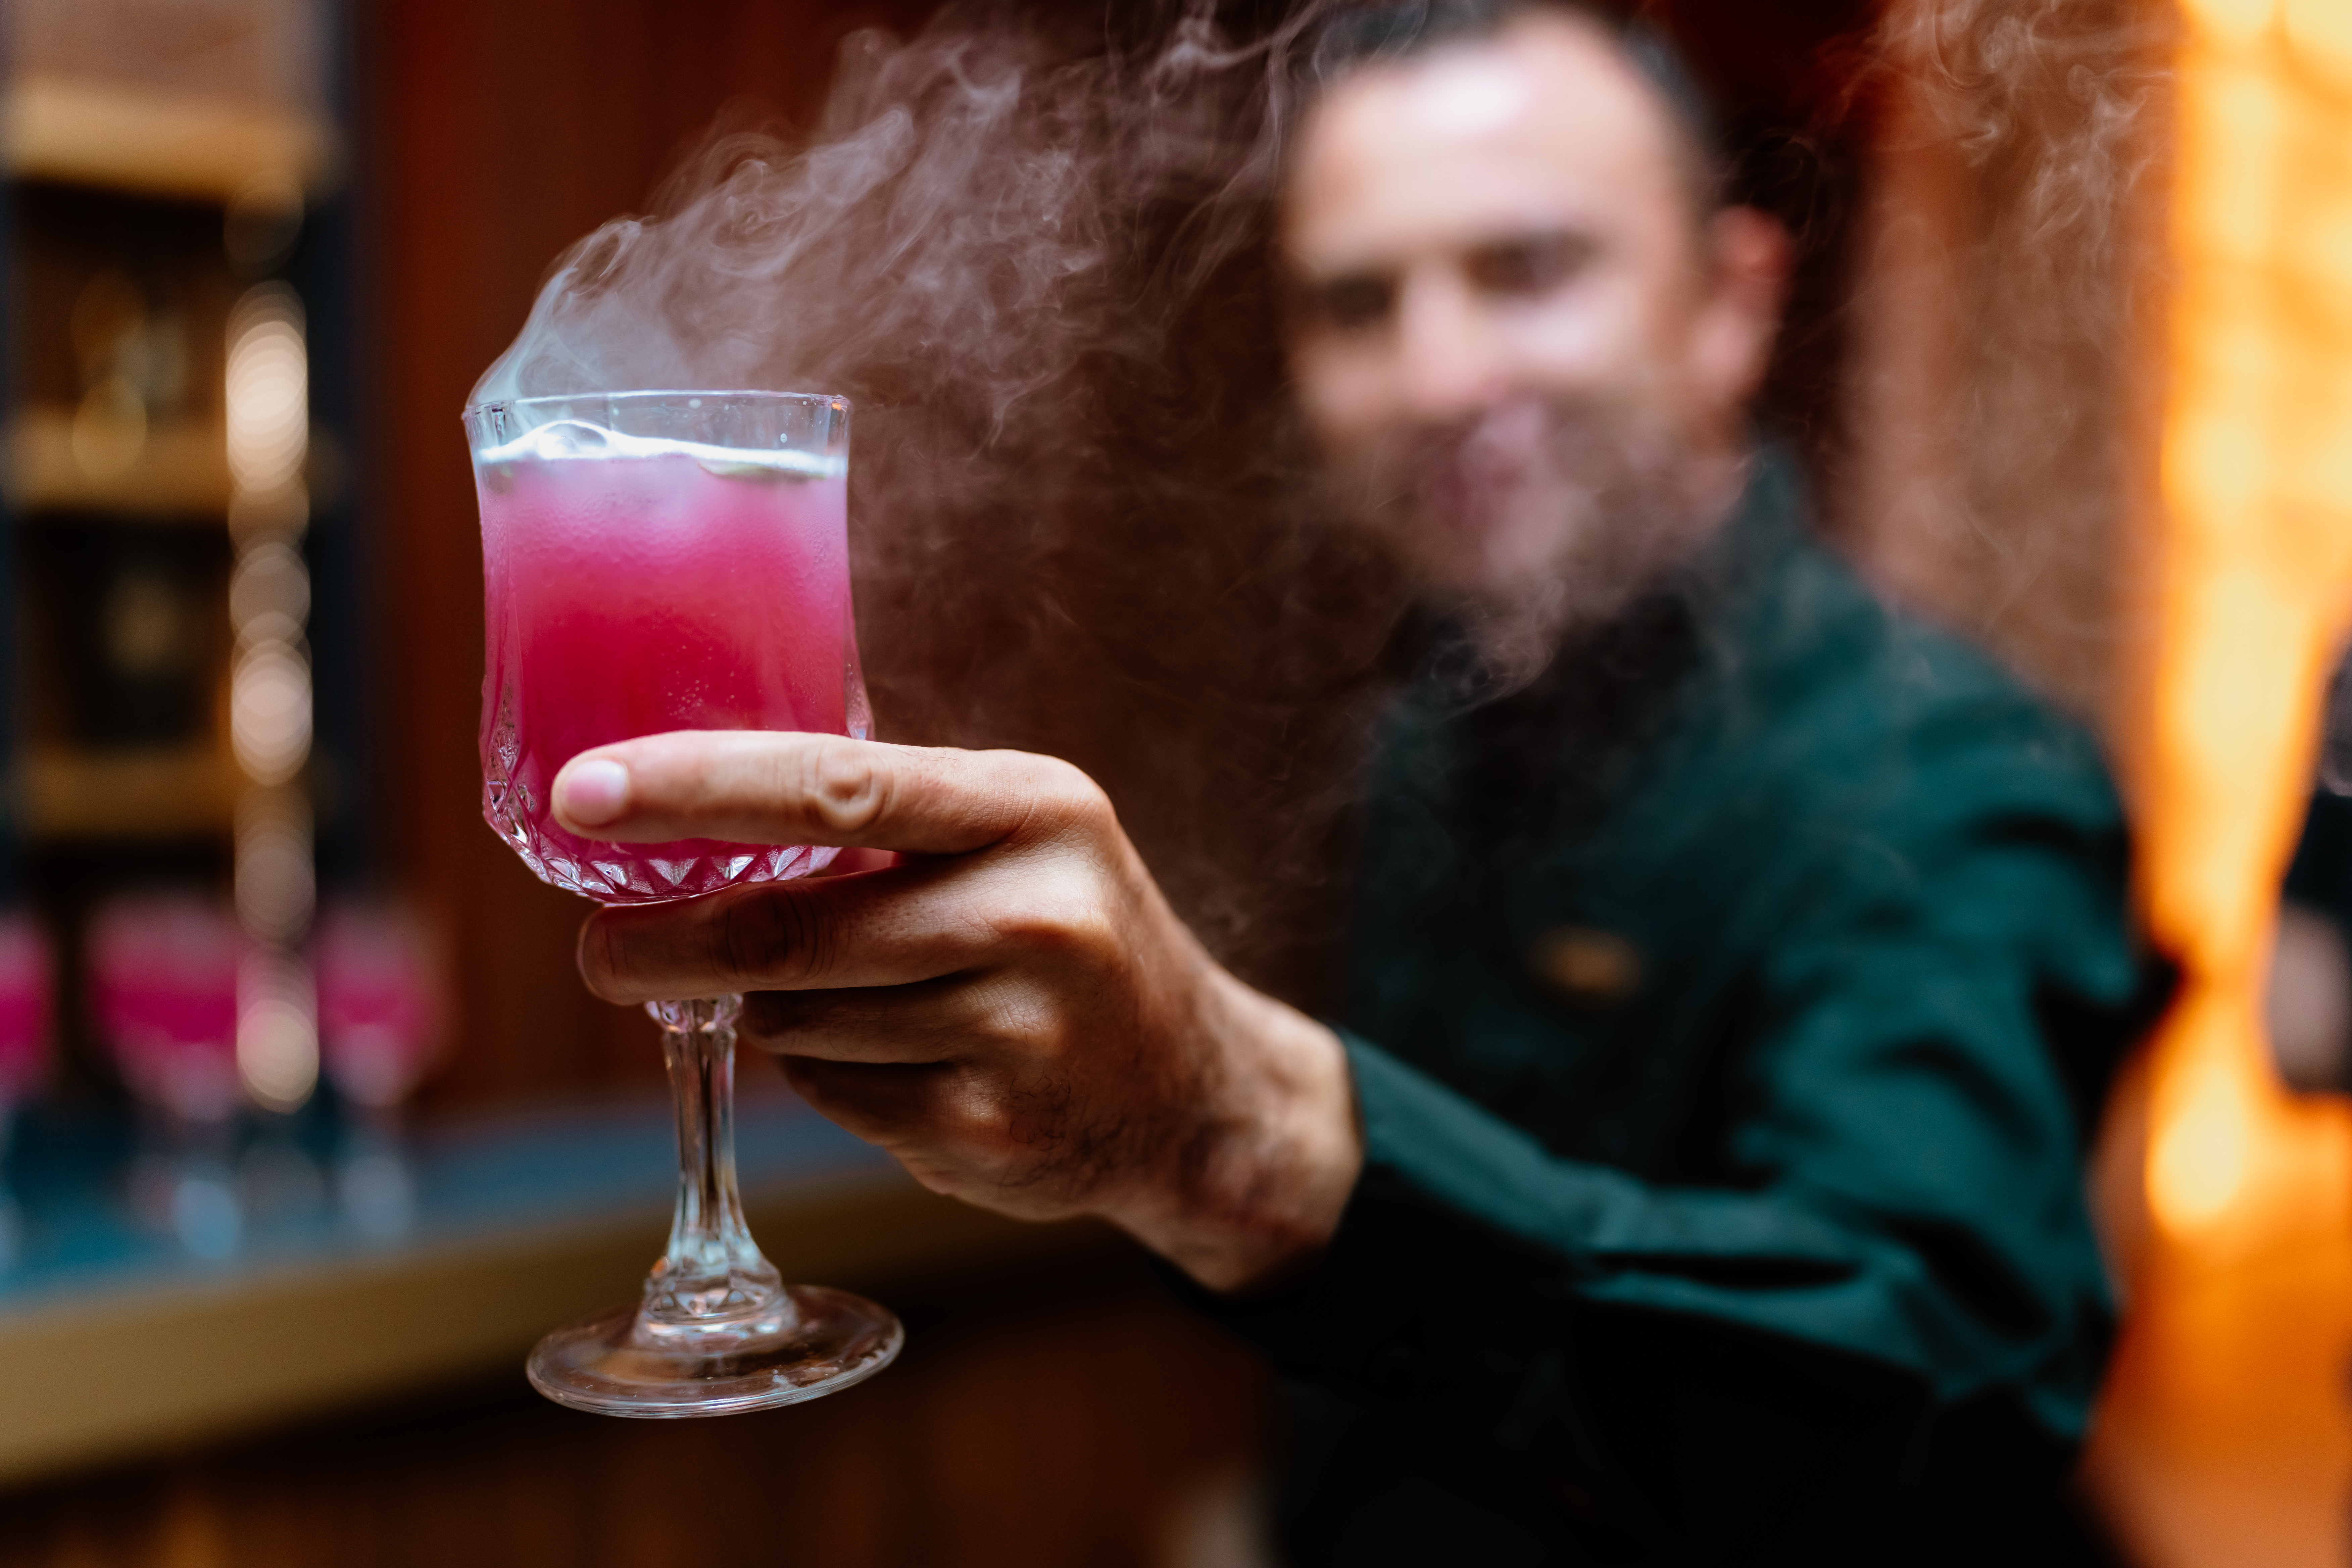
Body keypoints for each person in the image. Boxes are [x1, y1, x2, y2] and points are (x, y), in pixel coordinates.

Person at [544, 4, 2163, 1561]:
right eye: (1356, 304)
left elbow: (1947, 1427)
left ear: (1731, 303)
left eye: (1527, 271)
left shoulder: (1950, 775)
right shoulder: (1435, 722)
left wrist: (1233, 1127)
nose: (1439, 372)